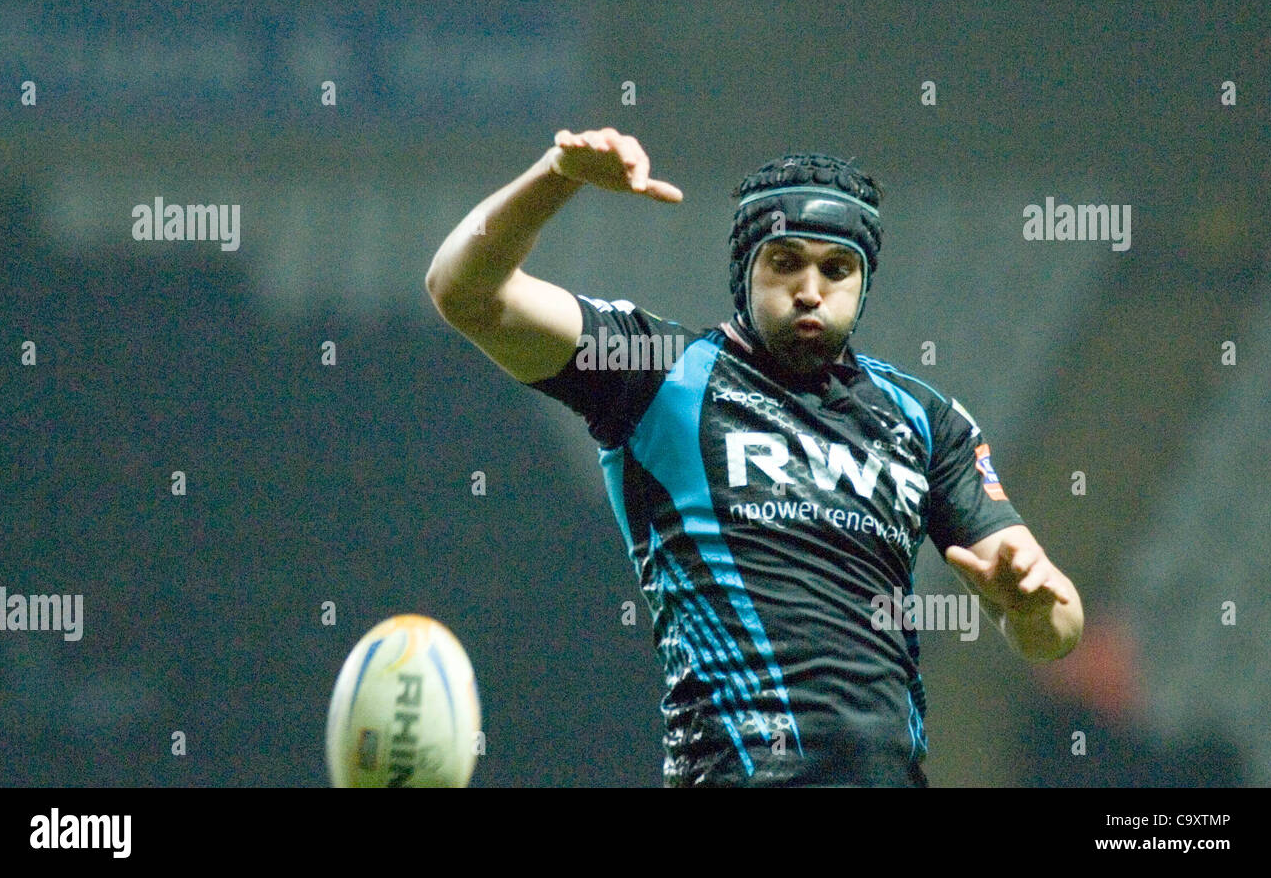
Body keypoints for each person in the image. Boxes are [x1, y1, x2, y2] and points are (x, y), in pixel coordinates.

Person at [425, 127, 1083, 786]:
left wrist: (1032, 609)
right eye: (785, 260)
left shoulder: (925, 420)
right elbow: (465, 293)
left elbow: (1057, 629)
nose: (809, 288)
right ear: (746, 270)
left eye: (836, 268)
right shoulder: (658, 373)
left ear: (862, 282)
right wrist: (556, 174)